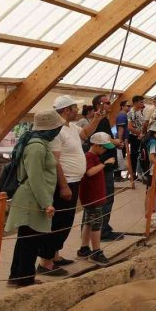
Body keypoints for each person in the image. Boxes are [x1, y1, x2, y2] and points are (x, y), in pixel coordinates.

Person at [36, 95, 96, 276]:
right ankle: (45, 263)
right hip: (65, 182)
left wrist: (97, 119)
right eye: (74, 108)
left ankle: (55, 256)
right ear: (65, 110)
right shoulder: (57, 131)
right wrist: (63, 186)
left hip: (73, 180)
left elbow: (85, 134)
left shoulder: (71, 127)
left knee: (65, 222)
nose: (77, 110)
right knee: (58, 222)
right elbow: (55, 161)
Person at [5, 110, 64, 288]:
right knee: (29, 241)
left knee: (28, 240)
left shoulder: (41, 144)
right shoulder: (36, 147)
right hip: (32, 199)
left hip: (35, 197)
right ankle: (23, 278)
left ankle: (21, 276)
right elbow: (35, 177)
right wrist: (46, 203)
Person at [77, 133, 115, 264]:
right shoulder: (89, 157)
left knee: (89, 222)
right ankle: (96, 251)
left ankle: (84, 248)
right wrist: (105, 164)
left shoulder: (94, 157)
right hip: (92, 197)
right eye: (103, 147)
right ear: (96, 145)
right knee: (97, 224)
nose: (104, 150)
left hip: (95, 196)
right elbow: (89, 172)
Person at [92, 94, 124, 241]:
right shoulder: (100, 120)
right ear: (99, 105)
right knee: (105, 199)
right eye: (107, 103)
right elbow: (102, 139)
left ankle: (100, 229)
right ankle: (102, 231)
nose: (110, 105)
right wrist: (116, 142)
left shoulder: (99, 120)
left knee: (100, 200)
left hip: (103, 164)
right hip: (104, 165)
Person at [127, 95, 146, 180]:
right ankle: (133, 174)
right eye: (141, 102)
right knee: (134, 155)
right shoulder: (131, 113)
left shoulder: (140, 112)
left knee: (141, 155)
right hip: (134, 136)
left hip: (140, 135)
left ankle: (139, 172)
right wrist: (139, 134)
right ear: (135, 103)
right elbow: (130, 127)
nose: (143, 103)